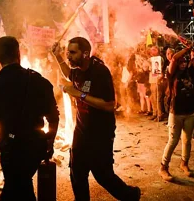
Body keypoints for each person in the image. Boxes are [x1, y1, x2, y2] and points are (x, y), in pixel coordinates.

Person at [52, 37, 141, 201]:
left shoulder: (100, 71)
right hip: (81, 130)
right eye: (67, 53)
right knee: (77, 172)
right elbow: (70, 74)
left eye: (72, 53)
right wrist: (58, 56)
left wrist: (80, 95)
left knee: (102, 175)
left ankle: (130, 195)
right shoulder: (77, 68)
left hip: (100, 133)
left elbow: (109, 105)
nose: (68, 56)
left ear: (85, 54)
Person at [0, 36, 59, 200]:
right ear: (19, 53)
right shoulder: (39, 81)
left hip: (12, 150)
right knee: (21, 187)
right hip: (35, 147)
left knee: (16, 189)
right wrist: (49, 142)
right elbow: (54, 118)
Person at [159, 46, 194, 181]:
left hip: (191, 111)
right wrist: (187, 48)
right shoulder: (172, 74)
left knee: (187, 140)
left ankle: (184, 164)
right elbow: (174, 58)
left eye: (184, 62)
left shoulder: (190, 72)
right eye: (181, 62)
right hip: (176, 112)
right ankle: (163, 167)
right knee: (173, 141)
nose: (182, 64)